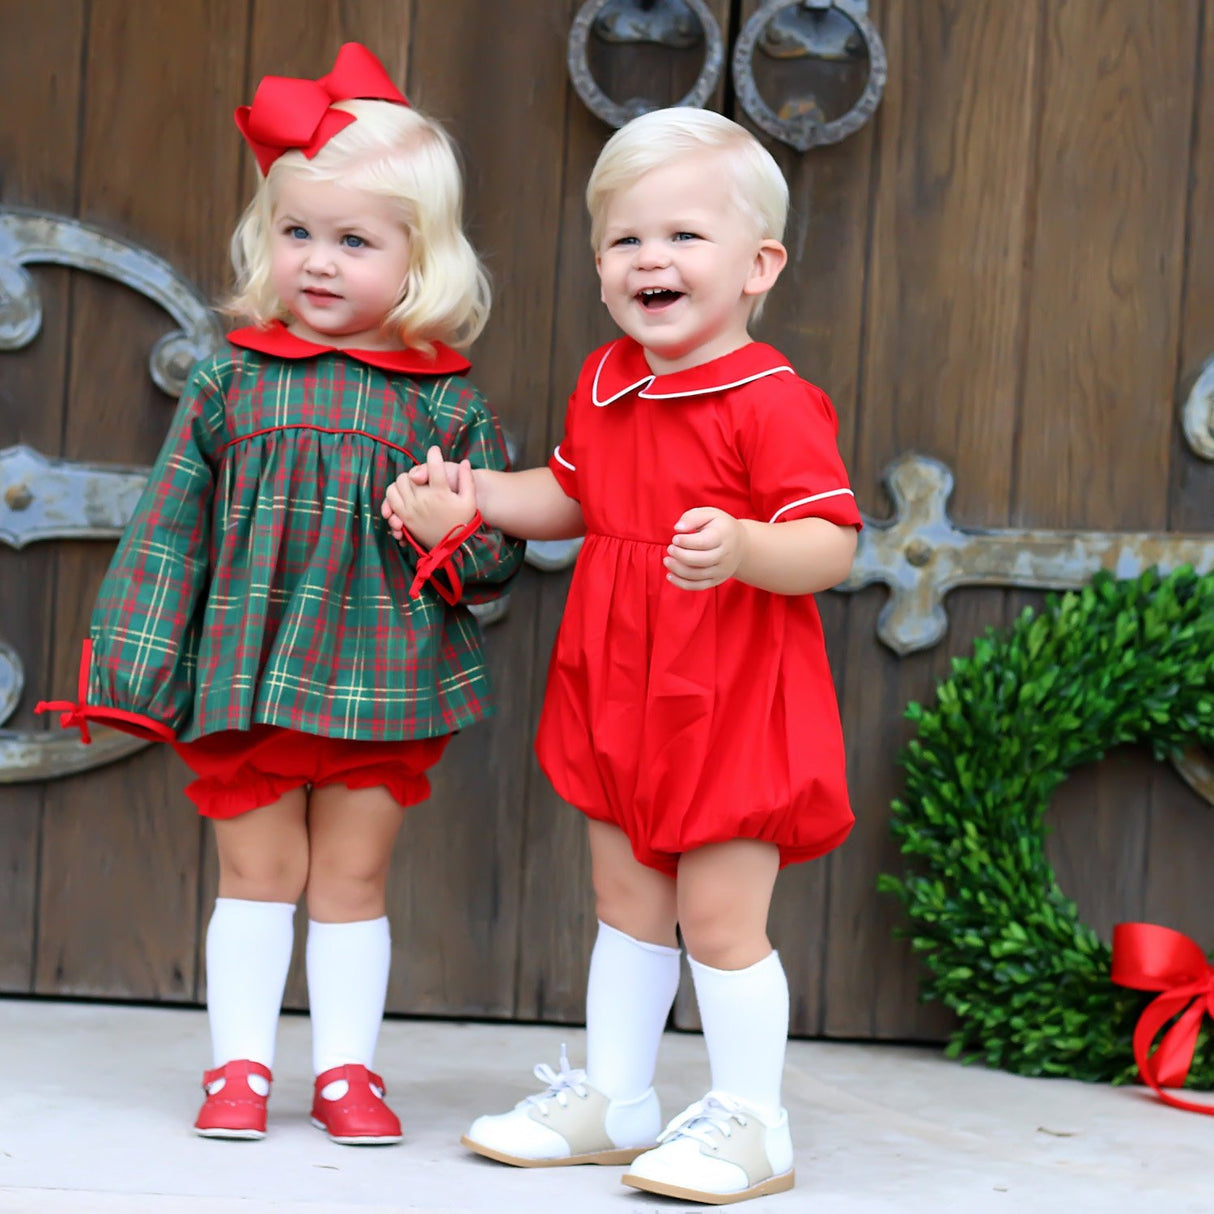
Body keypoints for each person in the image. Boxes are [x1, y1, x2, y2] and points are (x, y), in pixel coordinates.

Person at [37, 43, 523, 1146]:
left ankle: (348, 1073)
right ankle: (239, 1067)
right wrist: (133, 666)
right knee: (257, 873)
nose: (318, 260)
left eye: (354, 240)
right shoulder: (230, 378)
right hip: (250, 674)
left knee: (351, 876)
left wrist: (459, 528)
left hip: (381, 676)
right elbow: (169, 532)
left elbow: (493, 563)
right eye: (297, 231)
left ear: (416, 258)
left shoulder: (444, 399)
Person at [384, 107, 861, 1203]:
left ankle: (752, 1120)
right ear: (600, 263)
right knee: (624, 894)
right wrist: (468, 502)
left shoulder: (767, 400)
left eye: (684, 236)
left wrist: (745, 545)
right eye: (624, 239)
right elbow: (566, 494)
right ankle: (617, 1096)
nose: (650, 259)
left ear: (758, 265)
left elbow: (829, 542)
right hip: (620, 678)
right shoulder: (607, 382)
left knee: (719, 912)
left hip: (730, 685)